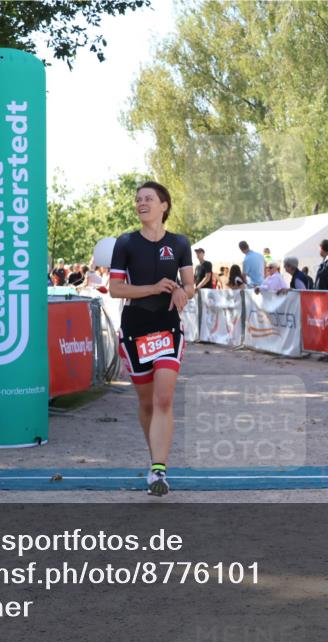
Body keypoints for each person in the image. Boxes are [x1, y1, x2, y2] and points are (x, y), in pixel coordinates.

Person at [108, 181, 195, 497]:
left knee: (164, 399)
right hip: (135, 327)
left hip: (167, 327)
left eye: (148, 198)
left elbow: (190, 285)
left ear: (164, 205)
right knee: (147, 402)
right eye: (138, 199)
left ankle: (159, 469)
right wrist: (154, 288)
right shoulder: (126, 243)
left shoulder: (180, 243)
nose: (141, 203)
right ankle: (154, 460)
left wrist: (183, 292)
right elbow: (115, 289)